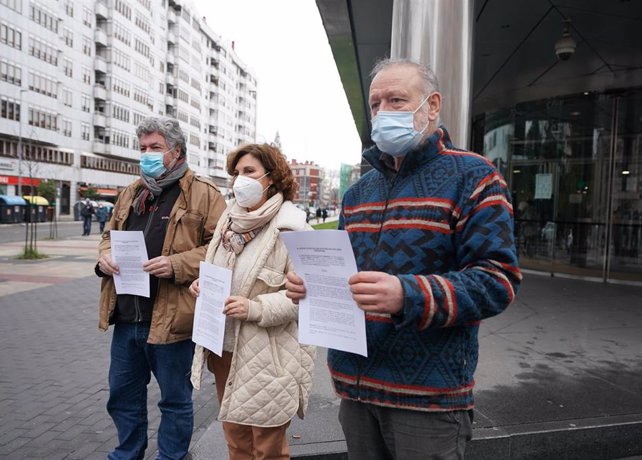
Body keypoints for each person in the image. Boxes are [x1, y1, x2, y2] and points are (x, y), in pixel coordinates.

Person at [286, 59, 521, 460]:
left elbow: (497, 281)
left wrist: (407, 295)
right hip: (356, 389)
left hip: (428, 399)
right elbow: (348, 277)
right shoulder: (358, 193)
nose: (382, 113)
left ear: (432, 106)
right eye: (376, 104)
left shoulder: (475, 177)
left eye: (397, 100)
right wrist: (311, 286)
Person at [95, 117, 226, 460]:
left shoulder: (204, 193)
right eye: (143, 149)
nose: (147, 155)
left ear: (176, 151)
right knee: (122, 396)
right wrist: (104, 256)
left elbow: (223, 250)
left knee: (174, 400)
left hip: (172, 320)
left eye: (155, 148)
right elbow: (108, 234)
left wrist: (176, 265)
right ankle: (127, 454)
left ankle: (171, 457)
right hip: (126, 316)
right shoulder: (132, 192)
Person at [189, 143, 316, 460]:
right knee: (236, 443)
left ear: (271, 178)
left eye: (249, 172)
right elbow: (219, 272)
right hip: (226, 350)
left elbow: (305, 298)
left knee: (267, 449)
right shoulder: (227, 223)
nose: (238, 180)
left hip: (269, 356)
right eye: (236, 173)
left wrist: (255, 309)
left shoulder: (294, 227)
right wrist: (204, 285)